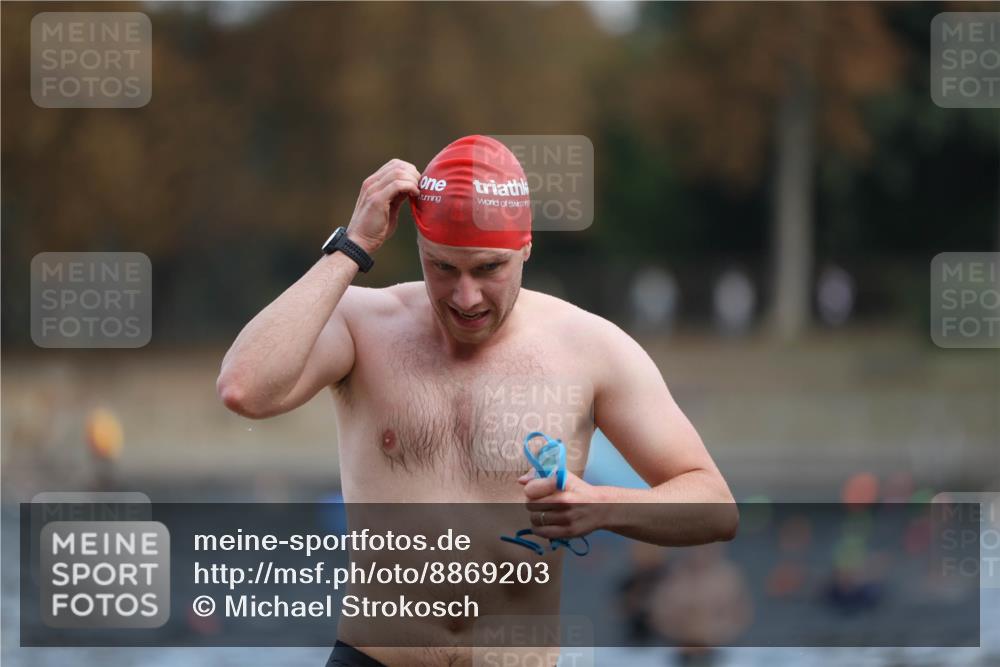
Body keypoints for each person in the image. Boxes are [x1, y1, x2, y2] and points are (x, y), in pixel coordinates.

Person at [217, 135, 738, 666]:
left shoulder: (590, 348)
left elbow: (717, 508)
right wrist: (352, 247)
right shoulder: (364, 325)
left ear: (525, 247)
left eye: (488, 269)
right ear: (419, 249)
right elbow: (245, 388)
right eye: (443, 268)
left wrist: (600, 505)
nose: (465, 298)